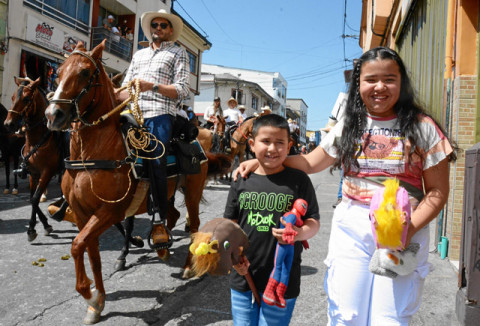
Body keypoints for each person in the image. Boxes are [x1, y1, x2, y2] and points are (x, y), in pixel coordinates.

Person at [235, 47, 456, 325]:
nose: (379, 87)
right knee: (345, 315)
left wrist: (405, 231)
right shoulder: (350, 124)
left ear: (402, 83)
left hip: (404, 229)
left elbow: (438, 192)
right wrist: (263, 162)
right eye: (370, 79)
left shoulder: (423, 127)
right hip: (352, 227)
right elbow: (309, 163)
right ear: (358, 84)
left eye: (389, 79)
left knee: (390, 319)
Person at [225, 114, 320, 325]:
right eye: (265, 141)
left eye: (280, 143)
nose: (272, 148)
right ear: (251, 144)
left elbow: (313, 221)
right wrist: (234, 257)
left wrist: (298, 234)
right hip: (243, 276)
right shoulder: (241, 179)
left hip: (283, 280)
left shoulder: (299, 180)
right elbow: (229, 224)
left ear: (289, 147)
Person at [117, 9, 189, 247]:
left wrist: (153, 87)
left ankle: (159, 219)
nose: (158, 28)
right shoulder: (138, 55)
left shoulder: (179, 52)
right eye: (155, 25)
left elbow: (182, 90)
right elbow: (126, 87)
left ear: (170, 31)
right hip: (132, 111)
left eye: (163, 25)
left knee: (156, 157)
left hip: (160, 113)